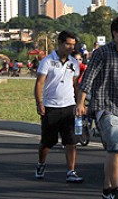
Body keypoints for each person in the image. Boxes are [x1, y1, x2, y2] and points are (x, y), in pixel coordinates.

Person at [77, 16, 118, 199]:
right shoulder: (102, 53)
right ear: (115, 34)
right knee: (117, 147)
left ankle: (107, 188)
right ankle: (116, 189)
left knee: (116, 153)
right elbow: (88, 78)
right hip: (106, 107)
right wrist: (81, 103)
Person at [35, 31, 83, 184]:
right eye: (68, 44)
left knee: (71, 141)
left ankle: (71, 171)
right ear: (60, 43)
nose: (71, 47)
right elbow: (39, 84)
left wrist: (79, 103)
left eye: (73, 45)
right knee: (48, 142)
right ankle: (41, 164)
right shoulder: (47, 61)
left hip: (69, 106)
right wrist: (39, 103)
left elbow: (75, 85)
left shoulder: (73, 63)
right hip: (51, 107)